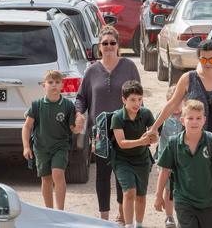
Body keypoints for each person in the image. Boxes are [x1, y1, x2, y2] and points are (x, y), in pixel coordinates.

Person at [75, 25, 140, 224]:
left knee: (122, 174)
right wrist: (79, 114)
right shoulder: (91, 71)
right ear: (99, 47)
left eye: (113, 43)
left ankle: (121, 213)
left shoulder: (129, 66)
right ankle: (104, 218)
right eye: (105, 43)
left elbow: (138, 97)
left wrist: (141, 122)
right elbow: (81, 98)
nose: (109, 46)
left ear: (118, 45)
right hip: (101, 132)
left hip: (125, 128)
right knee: (103, 174)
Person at [150, 39, 212, 166]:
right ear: (198, 58)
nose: (207, 63)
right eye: (203, 59)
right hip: (193, 140)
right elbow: (172, 104)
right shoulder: (188, 78)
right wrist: (154, 128)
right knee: (196, 181)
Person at [154, 99, 212, 228]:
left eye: (198, 118)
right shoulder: (173, 143)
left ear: (204, 120)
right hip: (184, 201)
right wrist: (158, 195)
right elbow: (165, 170)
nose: (194, 122)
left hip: (208, 202)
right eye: (190, 118)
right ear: (182, 120)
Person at [21, 70, 81, 210]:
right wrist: (26, 147)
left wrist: (79, 125)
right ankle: (49, 211)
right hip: (41, 147)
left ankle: (60, 211)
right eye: (50, 82)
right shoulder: (37, 105)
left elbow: (73, 128)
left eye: (57, 82)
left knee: (58, 174)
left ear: (62, 85)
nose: (54, 85)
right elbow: (27, 127)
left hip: (60, 146)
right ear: (44, 85)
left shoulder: (67, 105)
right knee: (46, 178)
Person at [111, 80, 157, 228]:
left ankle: (139, 225)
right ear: (124, 100)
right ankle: (128, 225)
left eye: (140, 99)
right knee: (129, 192)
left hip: (142, 160)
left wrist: (153, 136)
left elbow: (154, 135)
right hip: (122, 161)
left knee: (141, 195)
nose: (137, 103)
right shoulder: (117, 117)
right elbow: (121, 143)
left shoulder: (146, 113)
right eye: (132, 100)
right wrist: (141, 141)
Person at [156, 86, 185, 228]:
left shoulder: (187, 117)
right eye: (173, 102)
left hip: (183, 160)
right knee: (168, 189)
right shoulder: (162, 116)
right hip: (166, 160)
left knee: (181, 189)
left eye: (179, 101)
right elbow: (154, 134)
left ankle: (182, 217)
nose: (176, 105)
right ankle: (169, 216)